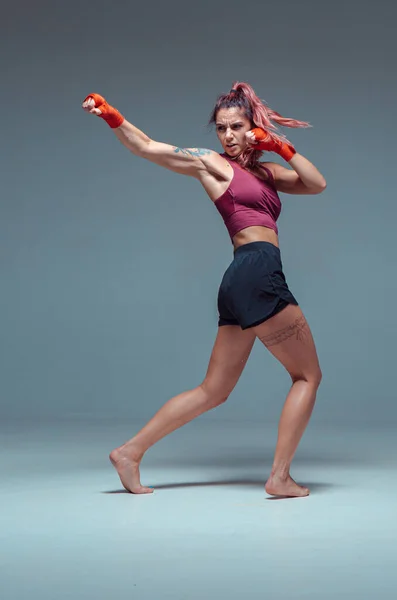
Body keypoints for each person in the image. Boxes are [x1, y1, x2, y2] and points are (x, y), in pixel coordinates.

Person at [81, 82, 326, 497]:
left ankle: (130, 452)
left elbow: (316, 183)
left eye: (236, 127)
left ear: (254, 127)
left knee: (213, 390)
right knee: (307, 376)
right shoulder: (211, 164)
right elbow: (146, 147)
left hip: (240, 279)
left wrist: (280, 147)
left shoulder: (266, 173)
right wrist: (111, 116)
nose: (228, 136)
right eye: (221, 128)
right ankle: (280, 477)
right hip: (257, 270)